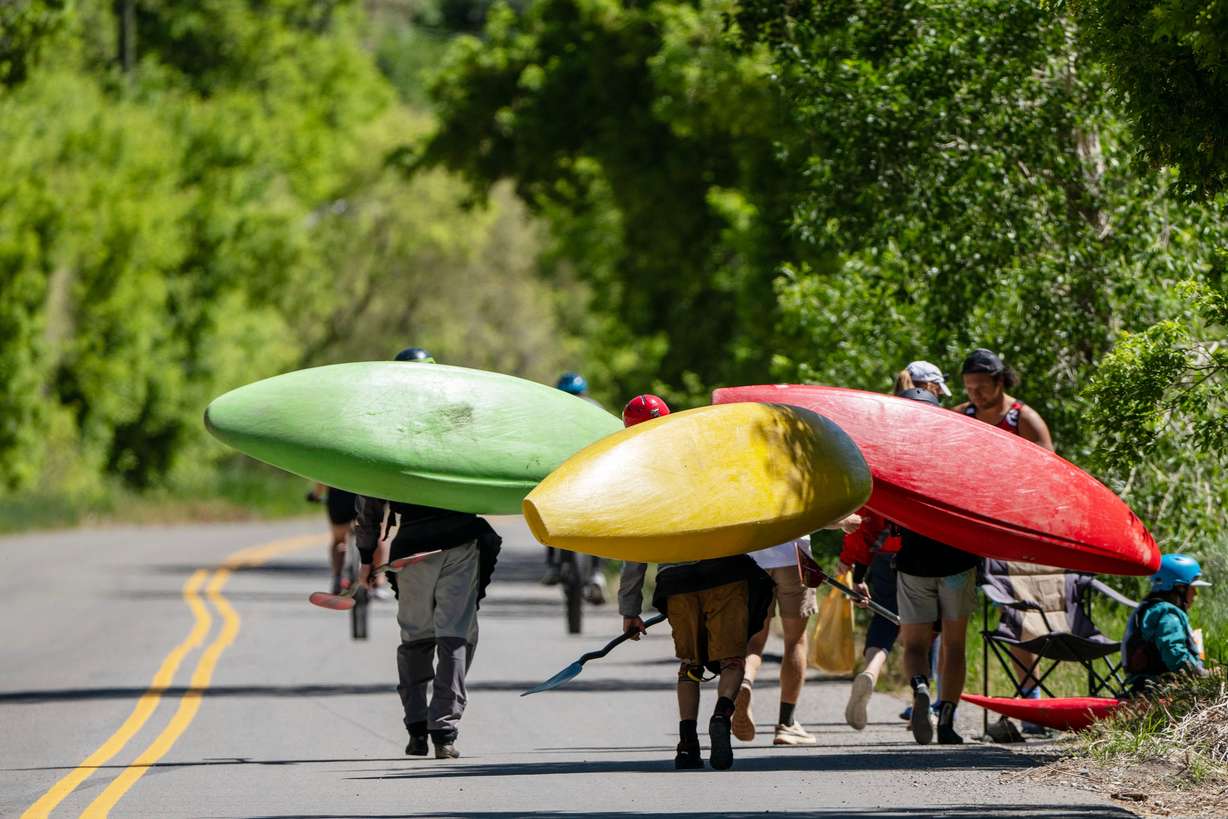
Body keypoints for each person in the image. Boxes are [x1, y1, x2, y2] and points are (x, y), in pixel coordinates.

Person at [354, 347, 502, 760]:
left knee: (416, 637)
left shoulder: (383, 431)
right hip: (460, 540)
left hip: (411, 549)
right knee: (454, 633)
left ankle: (417, 729)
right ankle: (445, 731)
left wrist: (367, 558)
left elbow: (368, 506)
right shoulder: (459, 422)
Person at [618, 394, 775, 771]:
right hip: (725, 572)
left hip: (677, 580)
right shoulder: (704, 458)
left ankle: (687, 742)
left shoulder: (634, 477)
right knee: (733, 657)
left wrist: (630, 609)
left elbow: (634, 547)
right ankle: (722, 714)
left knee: (690, 663)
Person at [955, 347, 1054, 732]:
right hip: (973, 532)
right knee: (953, 614)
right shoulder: (962, 417)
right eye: (969, 388)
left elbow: (1050, 474)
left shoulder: (1023, 419)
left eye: (982, 387)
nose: (976, 395)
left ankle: (1030, 698)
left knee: (1018, 616)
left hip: (1017, 534)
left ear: (1000, 382)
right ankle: (936, 700)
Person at [734, 524, 860, 747]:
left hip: (751, 561)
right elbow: (814, 512)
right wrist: (844, 519)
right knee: (795, 641)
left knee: (754, 641)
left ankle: (745, 681)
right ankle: (787, 723)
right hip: (793, 559)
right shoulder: (795, 485)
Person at [542, 371, 606, 604]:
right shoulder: (548, 416)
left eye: (576, 395)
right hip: (560, 473)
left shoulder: (595, 410)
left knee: (598, 522)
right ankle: (552, 563)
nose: (573, 400)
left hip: (590, 473)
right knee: (546, 512)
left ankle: (597, 573)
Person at [1123, 554, 1210, 695]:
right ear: (1180, 588)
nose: (1196, 594)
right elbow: (1176, 656)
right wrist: (1204, 675)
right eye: (1193, 588)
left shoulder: (1152, 609)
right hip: (1160, 690)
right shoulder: (1167, 616)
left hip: (1146, 687)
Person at [306, 483, 359, 596]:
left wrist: (315, 495)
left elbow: (323, 478)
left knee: (339, 540)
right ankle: (377, 582)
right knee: (375, 537)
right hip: (365, 496)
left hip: (338, 497)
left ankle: (337, 578)